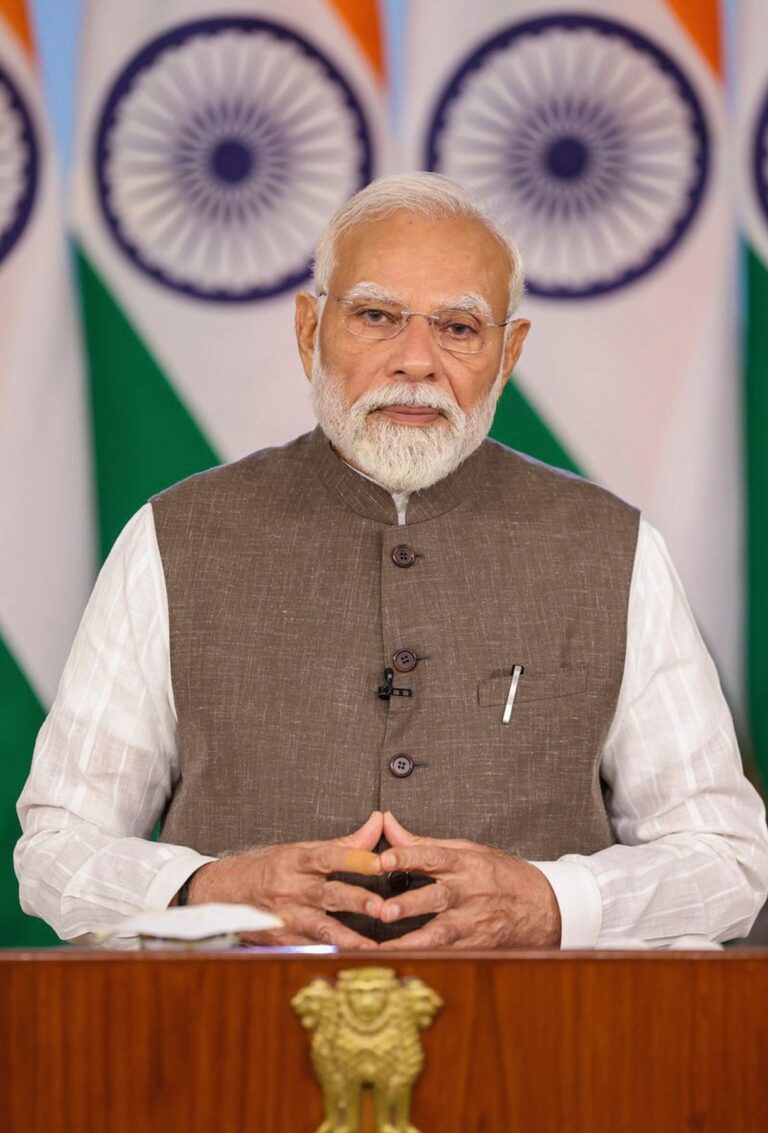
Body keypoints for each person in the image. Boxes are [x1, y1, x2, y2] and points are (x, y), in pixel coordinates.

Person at [14, 173, 768, 951]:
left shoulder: (611, 547)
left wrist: (552, 901)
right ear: (309, 330)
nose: (417, 361)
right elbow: (57, 849)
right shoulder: (174, 537)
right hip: (234, 1023)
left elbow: (727, 858)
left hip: (539, 1026)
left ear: (508, 353)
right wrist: (205, 891)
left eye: (459, 328)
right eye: (377, 317)